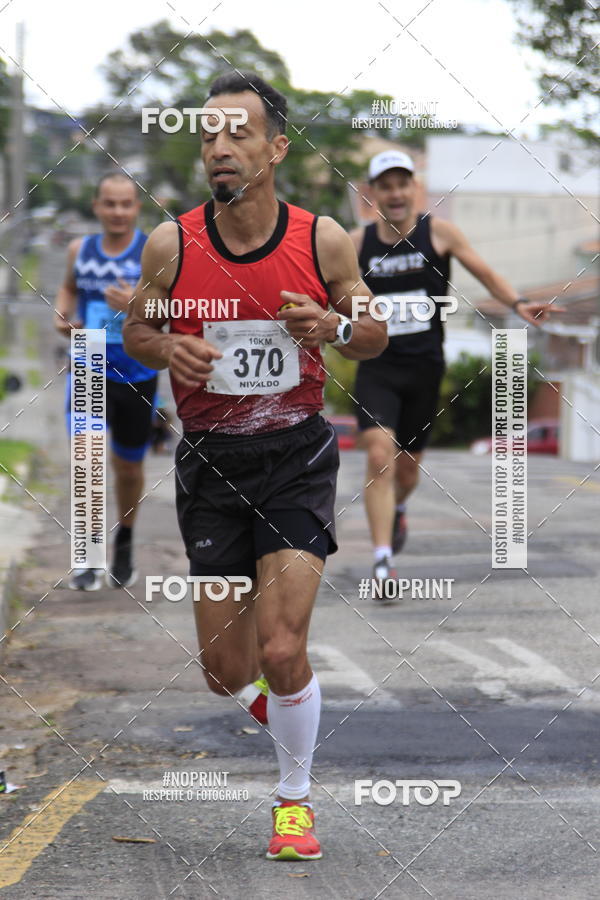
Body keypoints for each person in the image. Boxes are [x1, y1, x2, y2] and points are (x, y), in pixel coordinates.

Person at [123, 71, 386, 861]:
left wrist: (334, 324)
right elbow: (136, 330)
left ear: (275, 147)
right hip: (210, 463)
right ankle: (291, 707)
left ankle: (294, 801)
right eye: (208, 134)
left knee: (280, 648)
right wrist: (168, 345)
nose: (219, 147)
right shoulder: (174, 243)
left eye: (237, 132)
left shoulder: (322, 239)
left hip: (295, 455)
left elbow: (373, 332)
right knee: (224, 670)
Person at [350, 149, 563, 586]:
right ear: (373, 194)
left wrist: (518, 304)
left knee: (406, 471)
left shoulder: (440, 234)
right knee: (378, 456)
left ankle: (400, 509)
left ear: (414, 189)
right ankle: (383, 561)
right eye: (385, 186)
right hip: (377, 368)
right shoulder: (357, 244)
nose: (395, 193)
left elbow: (484, 273)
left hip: (425, 369)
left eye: (402, 184)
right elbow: (324, 286)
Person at [54, 173, 157, 591]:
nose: (117, 212)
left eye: (125, 204)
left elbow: (166, 308)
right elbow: (67, 289)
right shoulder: (81, 249)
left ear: (136, 208)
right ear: (96, 206)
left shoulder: (152, 250)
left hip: (137, 368)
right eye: (109, 203)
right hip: (90, 362)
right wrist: (62, 317)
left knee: (128, 467)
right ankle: (89, 553)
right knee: (88, 457)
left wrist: (135, 305)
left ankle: (126, 538)